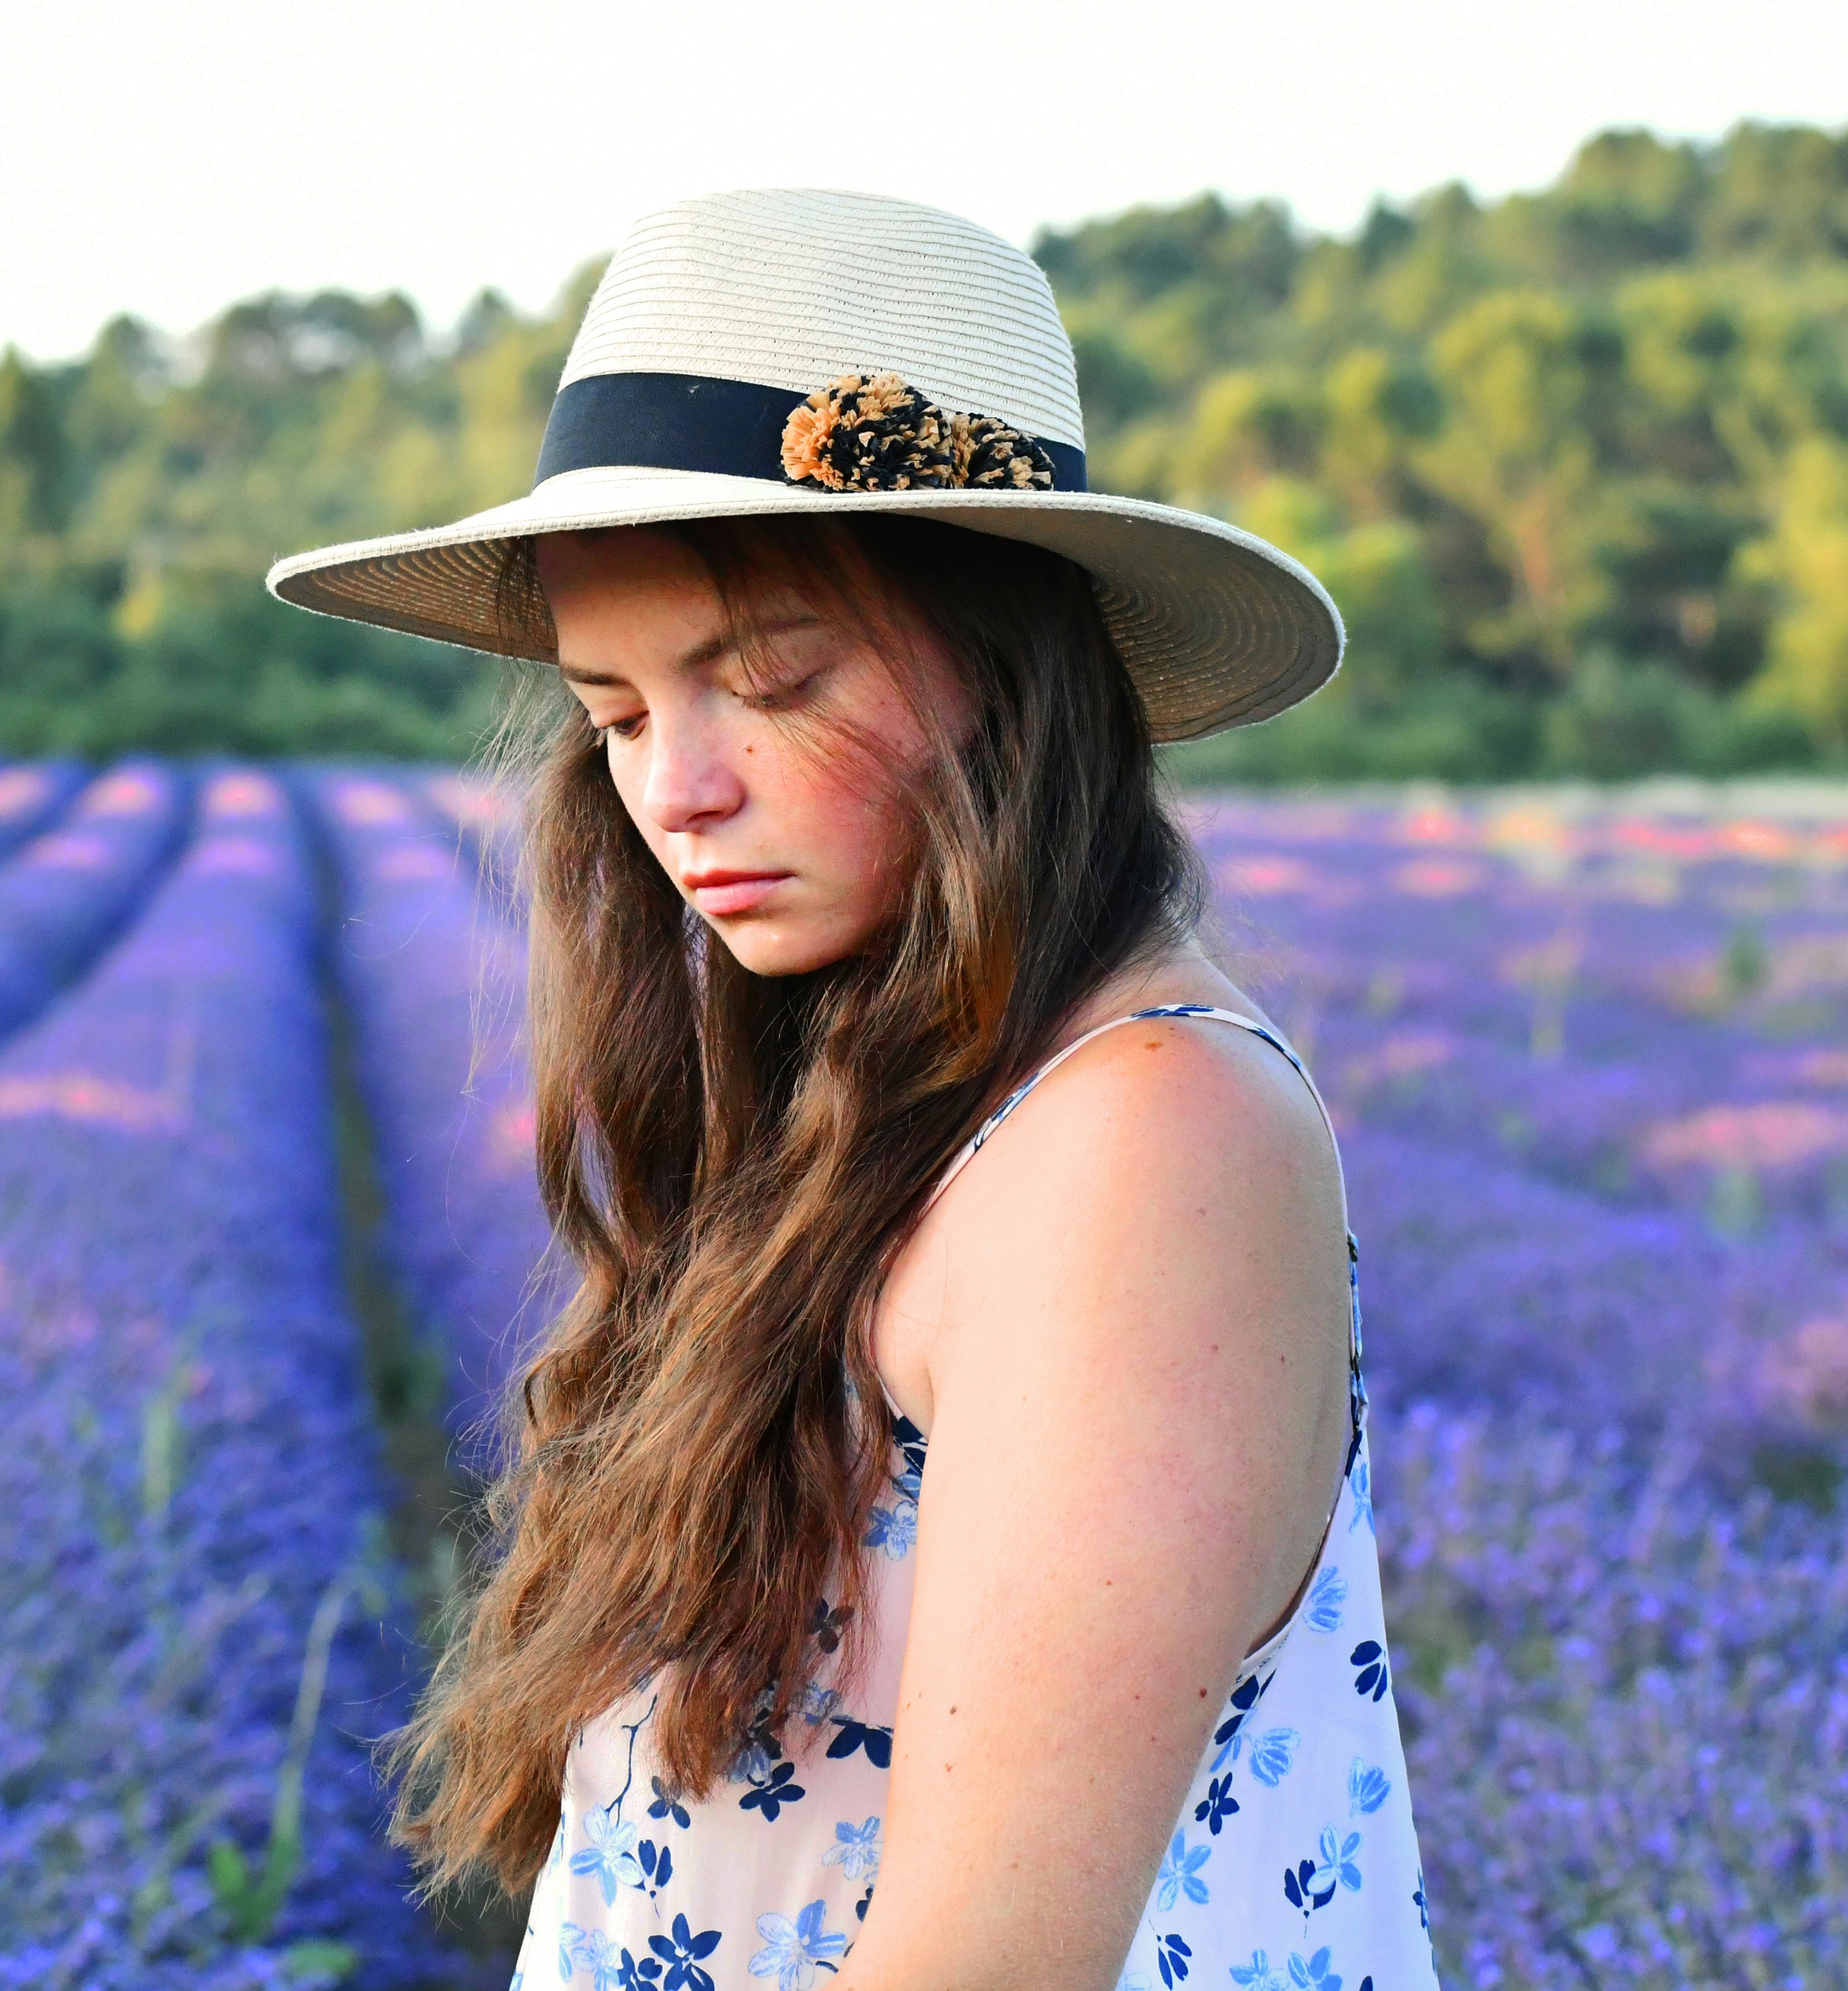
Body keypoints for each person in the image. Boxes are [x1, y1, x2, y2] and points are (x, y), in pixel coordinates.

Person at [268, 189, 1438, 1991]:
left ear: (1001, 660)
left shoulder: (1143, 1139)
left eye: (769, 680)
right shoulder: (874, 1102)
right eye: (624, 712)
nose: (682, 790)